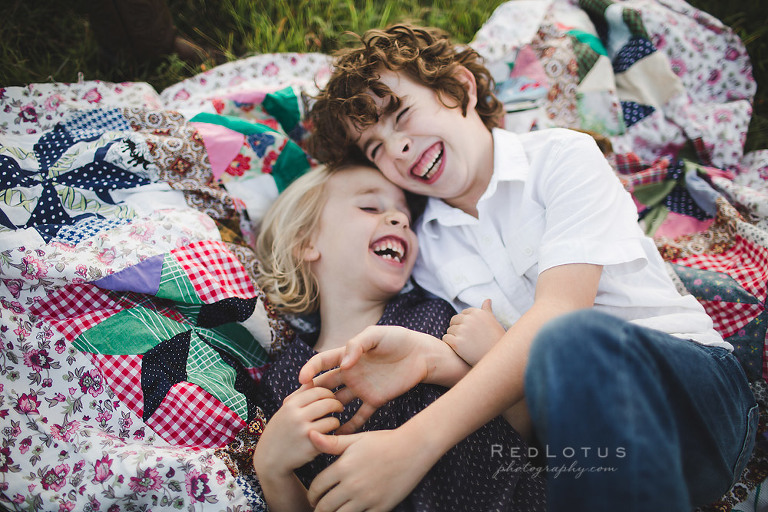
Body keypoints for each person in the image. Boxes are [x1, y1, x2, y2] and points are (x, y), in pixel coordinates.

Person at [299, 24, 759, 511]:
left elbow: (559, 315)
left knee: (567, 339)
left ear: (462, 88)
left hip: (693, 397)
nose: (396, 149)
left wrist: (412, 445)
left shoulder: (562, 157)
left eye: (403, 114)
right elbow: (490, 367)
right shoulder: (424, 246)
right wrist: (440, 359)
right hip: (582, 444)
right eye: (375, 149)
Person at [251, 163, 545, 511]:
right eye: (370, 207)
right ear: (305, 241)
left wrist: (496, 355)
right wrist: (272, 470)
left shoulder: (438, 316)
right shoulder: (285, 381)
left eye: (406, 215)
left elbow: (526, 439)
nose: (400, 220)